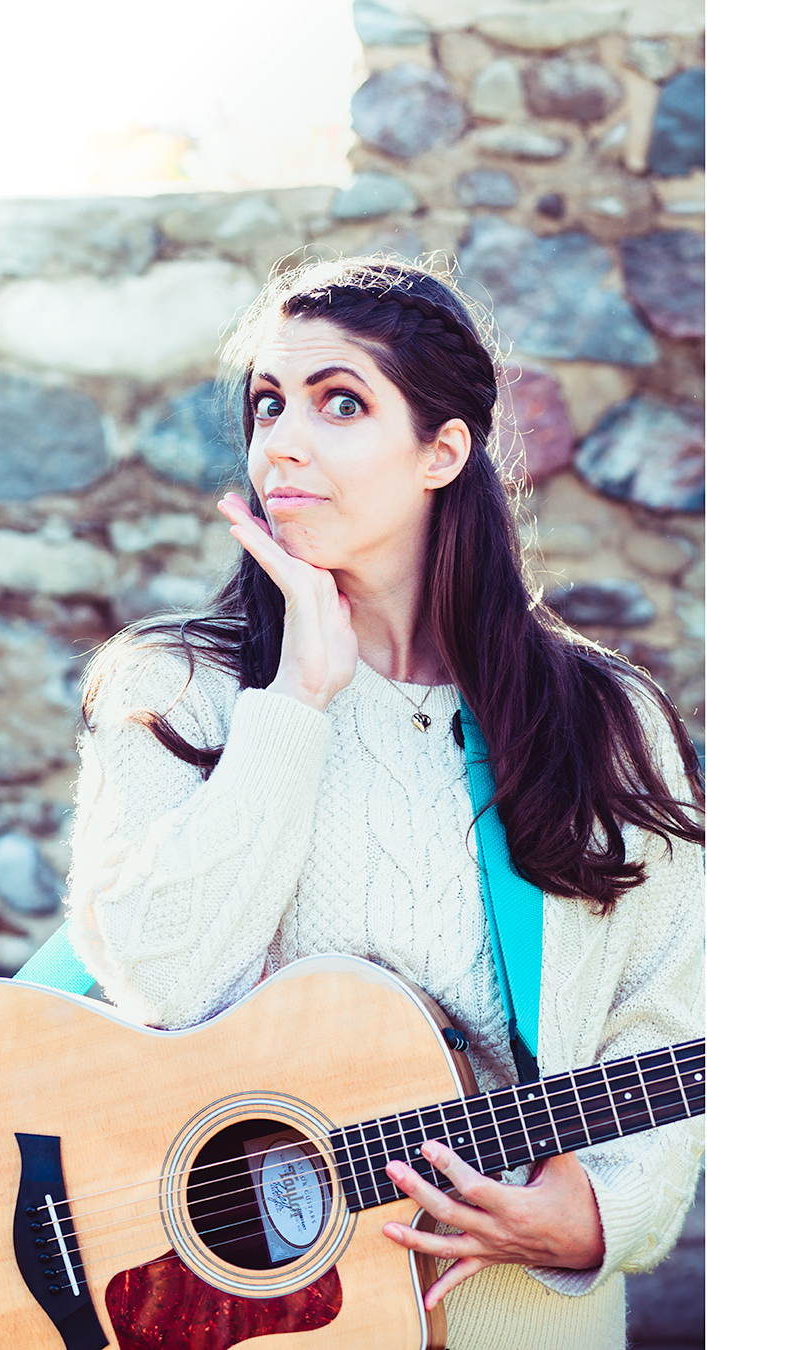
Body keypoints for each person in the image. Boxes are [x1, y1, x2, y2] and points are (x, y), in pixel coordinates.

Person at [64, 257, 705, 1349]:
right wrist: (297, 704)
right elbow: (159, 978)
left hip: (523, 1319)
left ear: (442, 452)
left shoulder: (606, 718)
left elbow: (672, 1020)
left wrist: (596, 1215)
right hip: (259, 1320)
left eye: (341, 403)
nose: (283, 445)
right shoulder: (175, 685)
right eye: (269, 405)